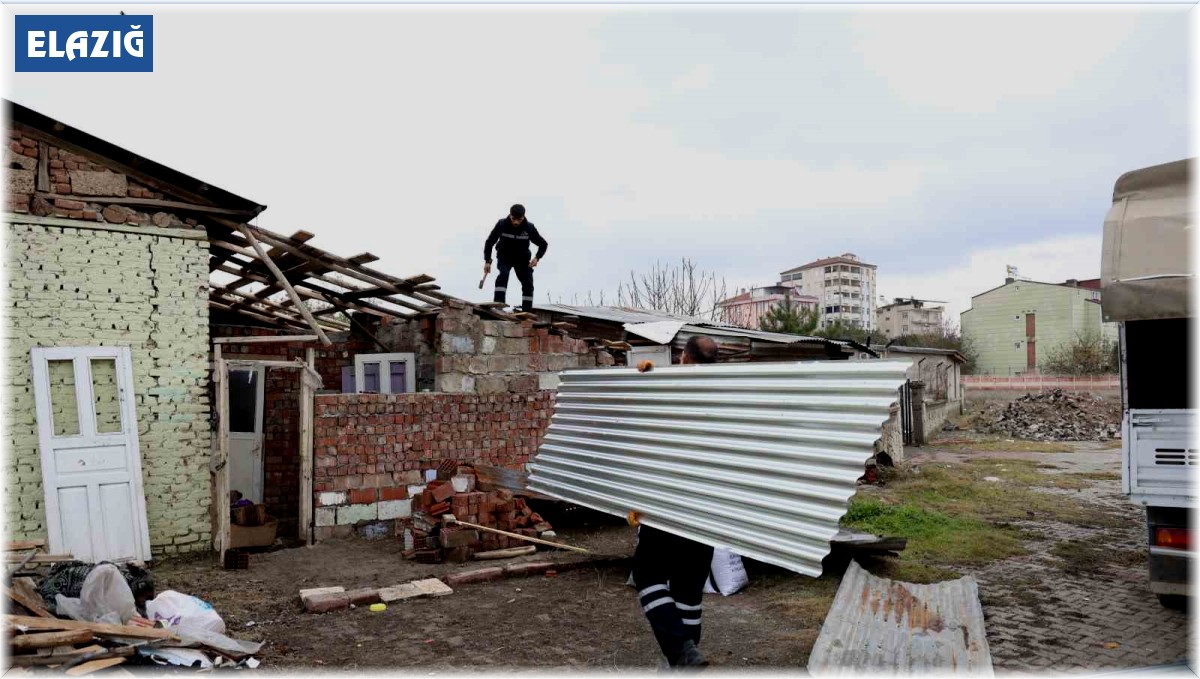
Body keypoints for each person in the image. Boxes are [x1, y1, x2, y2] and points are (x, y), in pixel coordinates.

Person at [632, 335, 720, 669]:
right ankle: (685, 660)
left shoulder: (672, 388)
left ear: (684, 357)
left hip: (670, 502)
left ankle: (680, 650)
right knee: (688, 590)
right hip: (708, 509)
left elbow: (642, 429)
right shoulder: (729, 392)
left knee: (647, 574)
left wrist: (645, 380)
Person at [483, 204, 547, 313]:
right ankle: (498, 305)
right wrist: (487, 261)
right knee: (503, 274)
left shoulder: (529, 228)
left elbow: (543, 244)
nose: (516, 222)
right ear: (510, 215)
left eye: (519, 219)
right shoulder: (501, 224)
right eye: (513, 219)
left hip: (522, 259)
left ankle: (526, 311)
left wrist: (537, 258)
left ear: (523, 217)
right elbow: (489, 242)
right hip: (504, 257)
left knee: (528, 282)